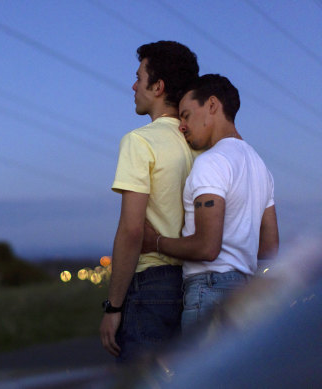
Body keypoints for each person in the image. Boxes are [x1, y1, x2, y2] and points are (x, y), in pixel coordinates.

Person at [142, 74, 279, 334]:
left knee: (200, 374)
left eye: (186, 115)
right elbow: (270, 248)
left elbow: (207, 247)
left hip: (209, 290)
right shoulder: (260, 167)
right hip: (244, 295)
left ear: (212, 105)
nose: (182, 126)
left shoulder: (212, 161)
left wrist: (155, 243)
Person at [99, 41, 199, 362]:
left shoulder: (139, 141)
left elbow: (131, 231)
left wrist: (113, 306)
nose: (133, 85)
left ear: (158, 87)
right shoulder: (200, 144)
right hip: (195, 283)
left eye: (139, 77)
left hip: (151, 286)